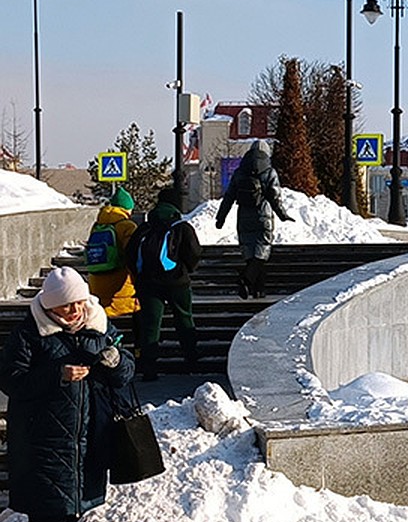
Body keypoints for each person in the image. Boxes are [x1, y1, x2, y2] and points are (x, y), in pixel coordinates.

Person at [0, 266, 135, 522]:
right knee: (51, 515)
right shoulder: (29, 335)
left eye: (76, 303)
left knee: (75, 508)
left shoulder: (99, 326)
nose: (73, 311)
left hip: (90, 437)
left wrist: (116, 360)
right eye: (64, 306)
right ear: (47, 306)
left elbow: (125, 372)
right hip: (41, 440)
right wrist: (56, 374)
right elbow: (11, 379)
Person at [126, 189, 202, 381]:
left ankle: (149, 368)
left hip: (149, 284)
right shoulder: (182, 226)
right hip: (177, 282)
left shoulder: (144, 227)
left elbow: (130, 254)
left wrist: (141, 275)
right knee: (184, 317)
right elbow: (194, 252)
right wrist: (185, 270)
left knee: (150, 325)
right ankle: (191, 359)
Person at [215, 140, 293, 298]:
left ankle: (258, 290)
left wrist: (221, 217)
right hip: (263, 216)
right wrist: (282, 215)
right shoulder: (269, 172)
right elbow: (275, 197)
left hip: (244, 217)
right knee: (261, 253)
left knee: (251, 254)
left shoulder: (239, 172)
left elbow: (229, 196)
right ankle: (246, 280)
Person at [84, 185, 140, 324]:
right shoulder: (127, 226)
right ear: (127, 209)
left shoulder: (98, 225)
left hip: (96, 281)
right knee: (139, 310)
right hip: (119, 285)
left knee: (102, 317)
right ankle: (138, 346)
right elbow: (132, 255)